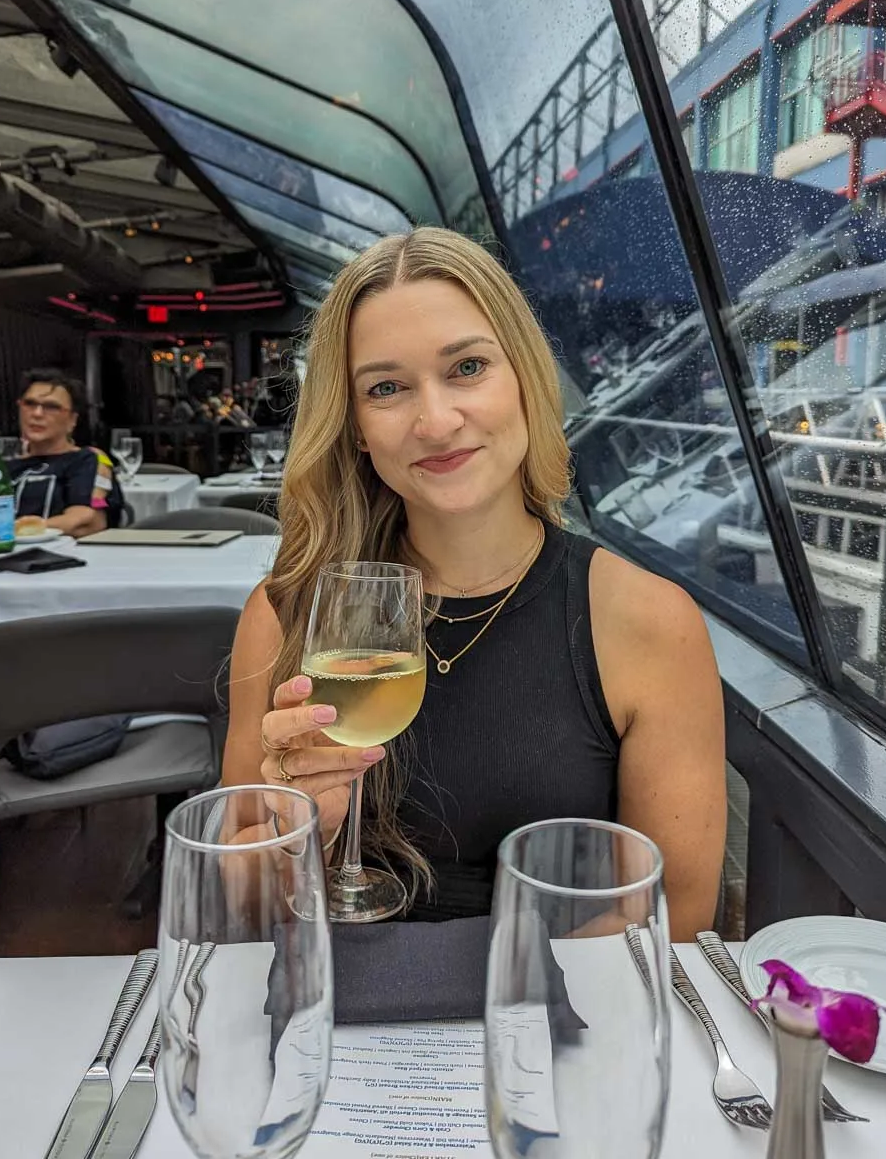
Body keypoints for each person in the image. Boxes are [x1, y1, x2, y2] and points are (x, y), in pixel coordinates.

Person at [222, 228, 726, 942]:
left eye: (467, 367)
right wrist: (297, 838)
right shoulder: (285, 614)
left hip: (551, 1002)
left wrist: (494, 1000)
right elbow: (240, 907)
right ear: (356, 427)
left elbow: (675, 916)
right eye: (386, 388)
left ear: (524, 379)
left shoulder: (647, 620)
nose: (436, 421)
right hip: (338, 1002)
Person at [9, 368, 124, 537]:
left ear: (72, 420)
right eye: (30, 404)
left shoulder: (89, 460)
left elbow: (86, 521)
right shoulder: (3, 466)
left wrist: (8, 531)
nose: (37, 413)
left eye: (52, 407)